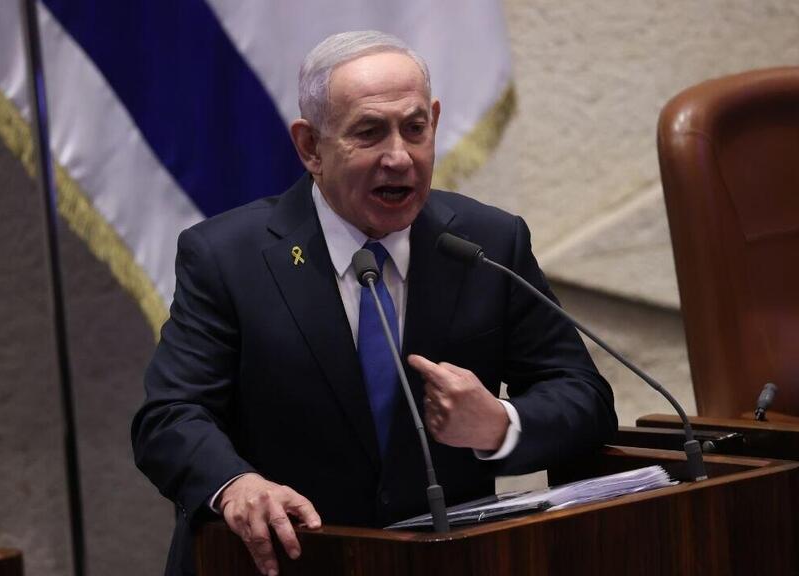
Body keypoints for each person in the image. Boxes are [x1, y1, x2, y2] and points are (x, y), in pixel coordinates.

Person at [132, 30, 617, 576]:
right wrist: (236, 485)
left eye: (415, 129)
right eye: (368, 133)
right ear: (310, 146)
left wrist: (499, 425)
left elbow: (585, 399)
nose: (399, 157)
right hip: (284, 562)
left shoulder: (488, 243)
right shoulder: (227, 257)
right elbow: (168, 417)